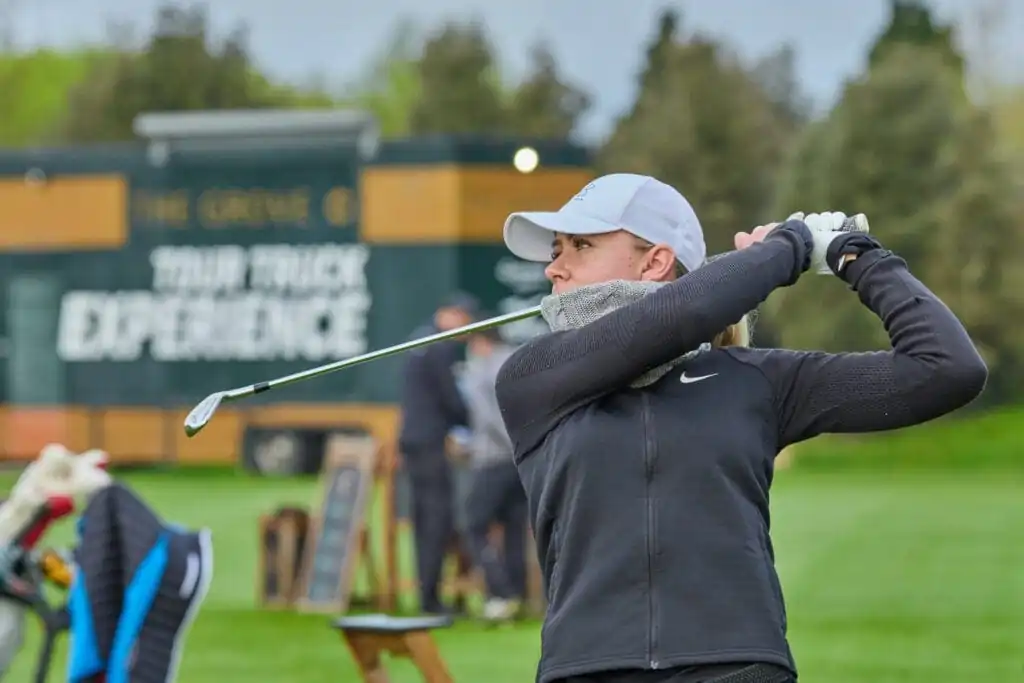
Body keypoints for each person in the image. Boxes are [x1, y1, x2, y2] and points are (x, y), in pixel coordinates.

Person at [494, 173, 988, 683]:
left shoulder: (757, 381)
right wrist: (786, 250)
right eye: (556, 249)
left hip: (736, 666)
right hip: (586, 669)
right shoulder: (533, 376)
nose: (555, 267)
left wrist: (857, 257)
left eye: (580, 245)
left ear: (656, 261)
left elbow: (946, 369)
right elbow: (675, 318)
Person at [398, 292, 478, 615]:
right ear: (452, 315)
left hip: (414, 442)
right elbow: (450, 400)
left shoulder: (418, 341)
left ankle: (427, 594)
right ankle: (430, 600)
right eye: (467, 320)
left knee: (422, 520)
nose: (469, 329)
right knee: (436, 521)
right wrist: (477, 421)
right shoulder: (438, 347)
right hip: (432, 444)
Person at [460, 323, 527, 624]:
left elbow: (488, 417)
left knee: (473, 525)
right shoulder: (520, 362)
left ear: (481, 341)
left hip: (493, 460)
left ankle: (500, 594)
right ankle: (519, 595)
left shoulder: (482, 369)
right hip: (520, 461)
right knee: (514, 529)